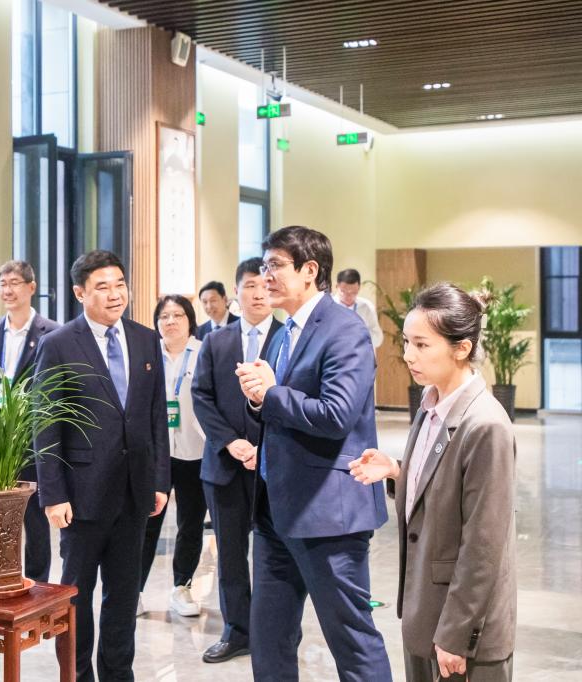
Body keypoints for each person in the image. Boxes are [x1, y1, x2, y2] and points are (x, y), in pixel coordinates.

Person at [236, 226, 391, 681]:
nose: (266, 276)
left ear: (310, 270)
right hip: (274, 510)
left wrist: (271, 394)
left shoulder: (345, 329)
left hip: (328, 513)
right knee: (269, 640)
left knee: (351, 640)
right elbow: (276, 405)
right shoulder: (283, 333)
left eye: (276, 266)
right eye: (264, 266)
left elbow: (337, 414)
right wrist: (258, 399)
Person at [349, 283, 516, 682]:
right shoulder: (430, 405)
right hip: (426, 612)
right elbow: (443, 484)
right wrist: (398, 470)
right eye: (407, 342)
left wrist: (456, 634)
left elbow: (483, 544)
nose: (409, 355)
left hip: (463, 632)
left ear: (462, 348)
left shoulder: (486, 425)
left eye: (422, 345)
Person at [34, 249, 170, 681]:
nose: (115, 295)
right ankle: (77, 675)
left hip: (134, 491)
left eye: (120, 285)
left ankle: (118, 673)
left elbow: (155, 416)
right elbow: (46, 423)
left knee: (124, 595)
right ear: (80, 293)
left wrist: (160, 480)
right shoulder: (59, 344)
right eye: (103, 287)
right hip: (81, 494)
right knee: (76, 595)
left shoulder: (145, 339)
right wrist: (53, 495)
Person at [191, 257, 282, 664]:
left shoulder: (288, 338)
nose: (259, 293)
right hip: (225, 466)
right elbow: (201, 396)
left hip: (274, 466)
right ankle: (237, 631)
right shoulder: (216, 341)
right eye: (250, 286)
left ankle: (274, 630)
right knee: (229, 555)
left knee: (275, 554)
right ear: (236, 293)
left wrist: (264, 447)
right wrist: (230, 442)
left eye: (265, 285)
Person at [0, 260, 60, 582]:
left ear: (31, 287)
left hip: (32, 439)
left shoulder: (52, 333)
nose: (7, 290)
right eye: (2, 284)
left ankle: (38, 584)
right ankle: (0, 578)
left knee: (35, 520)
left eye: (14, 283)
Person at [138, 295, 205, 618]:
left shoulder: (204, 353)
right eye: (164, 316)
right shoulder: (147, 355)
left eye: (178, 315)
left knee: (190, 522)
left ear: (190, 320)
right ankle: (134, 591)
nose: (171, 321)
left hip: (196, 450)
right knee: (148, 522)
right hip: (156, 453)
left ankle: (182, 587)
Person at [334, 268, 384, 348]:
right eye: (344, 292)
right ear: (337, 286)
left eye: (353, 292)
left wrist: (360, 333)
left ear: (359, 288)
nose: (348, 296)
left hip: (360, 353)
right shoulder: (328, 306)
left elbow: (378, 339)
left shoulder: (367, 307)